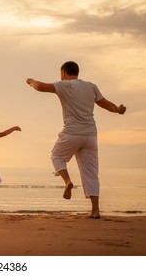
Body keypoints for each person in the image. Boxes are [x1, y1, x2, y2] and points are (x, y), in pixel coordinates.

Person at [26, 61, 126, 219]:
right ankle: (95, 210)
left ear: (64, 73)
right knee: (91, 173)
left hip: (72, 133)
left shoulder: (64, 85)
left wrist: (31, 81)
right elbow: (106, 104)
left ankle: (67, 181)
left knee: (57, 157)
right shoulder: (91, 86)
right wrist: (118, 110)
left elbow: (40, 86)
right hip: (90, 135)